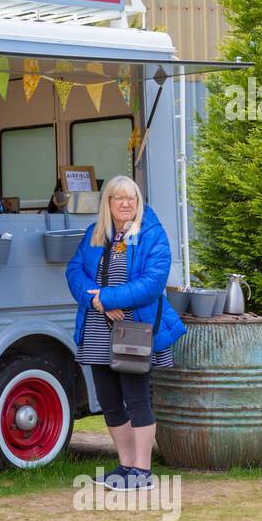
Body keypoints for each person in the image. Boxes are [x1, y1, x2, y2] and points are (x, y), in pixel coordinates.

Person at [65, 175, 186, 490]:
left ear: (139, 201)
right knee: (109, 399)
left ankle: (143, 472)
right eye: (118, 198)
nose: (126, 203)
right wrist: (96, 299)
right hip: (97, 328)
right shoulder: (95, 233)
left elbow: (153, 282)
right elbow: (74, 271)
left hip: (135, 328)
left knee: (136, 398)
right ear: (108, 203)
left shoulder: (151, 234)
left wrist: (108, 298)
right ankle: (126, 466)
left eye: (131, 197)